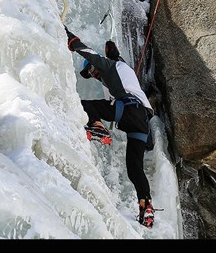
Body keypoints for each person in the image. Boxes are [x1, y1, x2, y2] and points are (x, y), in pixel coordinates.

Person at [65, 26, 155, 228]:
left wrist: (68, 36)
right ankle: (146, 206)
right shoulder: (121, 70)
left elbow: (88, 52)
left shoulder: (108, 67)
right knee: (134, 169)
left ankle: (96, 127)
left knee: (84, 105)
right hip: (140, 123)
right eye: (90, 73)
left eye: (91, 70)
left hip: (129, 109)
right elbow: (117, 57)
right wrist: (113, 51)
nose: (93, 74)